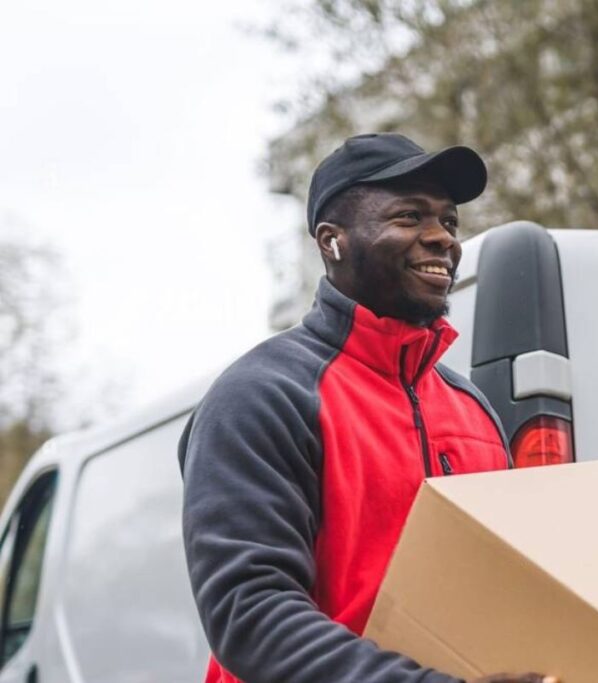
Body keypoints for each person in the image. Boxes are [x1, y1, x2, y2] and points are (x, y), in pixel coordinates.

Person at [178, 133, 558, 683]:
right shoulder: (261, 395)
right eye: (409, 217)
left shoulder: (472, 407)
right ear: (332, 241)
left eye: (449, 222)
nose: (440, 240)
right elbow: (250, 615)